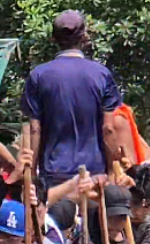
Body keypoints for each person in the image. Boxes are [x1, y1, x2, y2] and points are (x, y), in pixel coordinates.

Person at [22, 10, 122, 186]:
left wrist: (32, 172)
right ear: (84, 37)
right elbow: (108, 128)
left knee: (55, 214)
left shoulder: (38, 76)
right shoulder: (101, 74)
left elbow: (35, 129)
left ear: (53, 39)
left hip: (54, 175)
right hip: (93, 175)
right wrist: (113, 170)